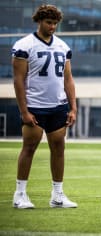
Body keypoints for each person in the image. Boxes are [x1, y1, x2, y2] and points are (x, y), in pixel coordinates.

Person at [11, 4, 77, 209]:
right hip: (35, 106)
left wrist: (73, 107)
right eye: (49, 22)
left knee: (59, 148)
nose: (52, 27)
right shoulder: (24, 45)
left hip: (58, 106)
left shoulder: (63, 47)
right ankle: (20, 194)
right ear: (39, 21)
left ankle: (57, 195)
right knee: (29, 147)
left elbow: (68, 79)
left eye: (55, 23)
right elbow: (18, 80)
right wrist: (24, 110)